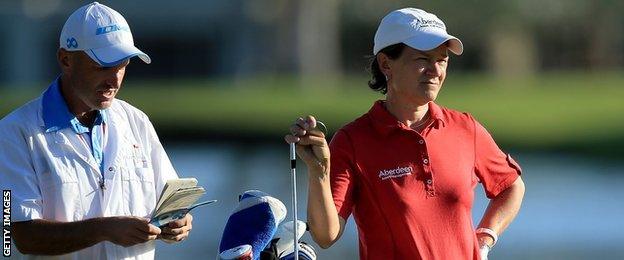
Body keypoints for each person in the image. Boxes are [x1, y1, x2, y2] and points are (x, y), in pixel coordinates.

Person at [285, 8, 525, 260]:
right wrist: (319, 172)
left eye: (442, 59)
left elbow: (511, 186)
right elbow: (326, 236)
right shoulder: (353, 141)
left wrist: (484, 238)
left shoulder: (465, 128)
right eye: (423, 60)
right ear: (386, 63)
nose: (435, 70)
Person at [0, 2, 192, 259]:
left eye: (122, 66)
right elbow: (17, 236)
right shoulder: (14, 133)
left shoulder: (137, 121)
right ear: (66, 59)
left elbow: (169, 203)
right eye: (102, 67)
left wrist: (179, 223)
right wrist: (104, 229)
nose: (114, 80)